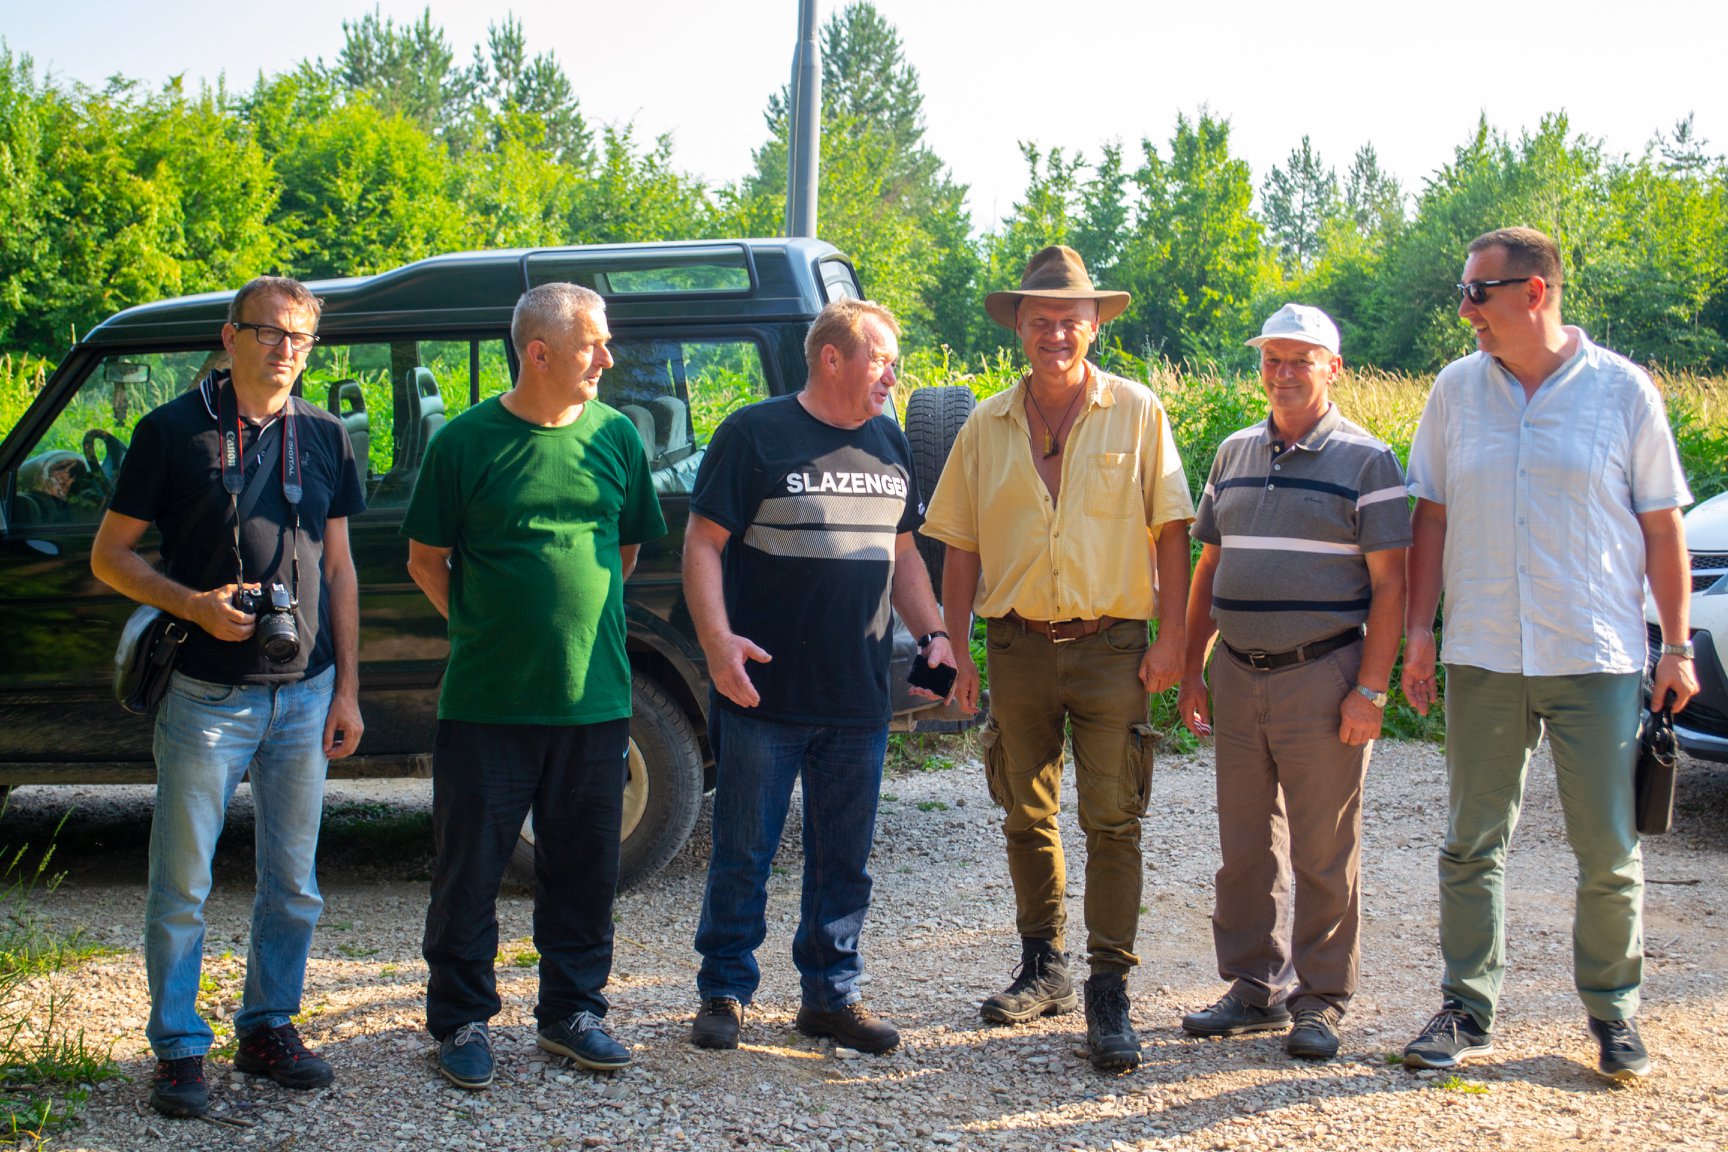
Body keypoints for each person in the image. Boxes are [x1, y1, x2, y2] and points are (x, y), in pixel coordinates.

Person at [1399, 227, 1696, 1081]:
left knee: (1608, 849)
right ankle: (1465, 1008)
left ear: (1535, 293)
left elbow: (1662, 526)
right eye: (1462, 293)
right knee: (1470, 843)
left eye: (1478, 293)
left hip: (1593, 653)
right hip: (1486, 650)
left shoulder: (1623, 391)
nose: (1465, 311)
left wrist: (1676, 645)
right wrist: (1420, 632)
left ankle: (1614, 1013)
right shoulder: (1455, 391)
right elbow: (1431, 518)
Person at [91, 276, 365, 1118]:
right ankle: (179, 1047)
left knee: (294, 884)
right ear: (231, 335)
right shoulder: (171, 431)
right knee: (183, 883)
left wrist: (349, 689)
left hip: (306, 692)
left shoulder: (326, 434)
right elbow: (109, 555)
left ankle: (268, 1026)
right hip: (207, 694)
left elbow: (340, 566)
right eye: (270, 332)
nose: (286, 350)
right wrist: (193, 605)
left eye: (301, 338)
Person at [920, 246, 1193, 1071]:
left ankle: (1110, 989)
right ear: (1020, 328)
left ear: (1094, 325)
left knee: (1114, 817)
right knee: (1024, 811)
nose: (1056, 334)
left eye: (1071, 320)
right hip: (1017, 649)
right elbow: (960, 546)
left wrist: (1174, 638)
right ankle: (1044, 966)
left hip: (1114, 646)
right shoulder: (985, 424)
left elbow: (1172, 531)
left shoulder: (1137, 411)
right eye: (1041, 320)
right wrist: (957, 644)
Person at [404, 283, 666, 1089]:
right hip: (487, 704)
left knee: (584, 870)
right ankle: (460, 1021)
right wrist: (488, 626)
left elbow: (625, 552)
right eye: (594, 343)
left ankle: (572, 1014)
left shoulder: (616, 436)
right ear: (540, 352)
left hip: (595, 699)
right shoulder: (465, 443)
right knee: (470, 872)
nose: (608, 358)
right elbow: (425, 560)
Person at [684, 298, 954, 1055]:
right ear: (832, 358)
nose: (893, 375)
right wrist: (717, 644)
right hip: (763, 692)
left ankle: (830, 996)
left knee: (844, 860)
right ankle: (724, 990)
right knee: (744, 853)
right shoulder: (754, 433)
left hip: (857, 697)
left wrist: (934, 633)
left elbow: (903, 552)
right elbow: (702, 542)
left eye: (895, 361)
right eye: (882, 359)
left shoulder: (890, 440)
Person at [1175, 304, 1409, 1061]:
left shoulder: (1368, 460)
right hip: (1238, 674)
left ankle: (1321, 998)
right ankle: (1253, 987)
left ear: (1332, 369)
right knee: (1244, 848)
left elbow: (1393, 584)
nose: (1282, 373)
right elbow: (1209, 567)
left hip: (1323, 674)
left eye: (1299, 360)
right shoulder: (1233, 453)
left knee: (1323, 850)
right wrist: (1192, 670)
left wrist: (1370, 690)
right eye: (1272, 359)